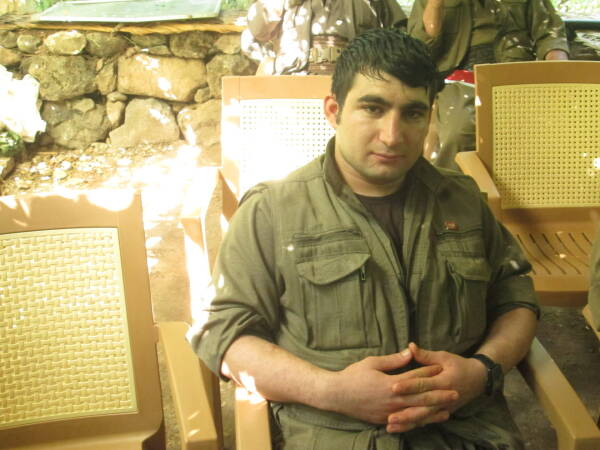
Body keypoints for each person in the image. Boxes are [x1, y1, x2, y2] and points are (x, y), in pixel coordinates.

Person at [191, 28, 539, 449]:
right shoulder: (272, 212)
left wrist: (483, 370)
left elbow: (516, 297)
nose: (392, 135)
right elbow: (223, 333)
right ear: (334, 111)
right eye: (372, 108)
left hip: (466, 431)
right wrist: (330, 391)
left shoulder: (462, 200)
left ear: (429, 117)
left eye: (412, 113)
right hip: (335, 434)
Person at [408, 0, 570, 169]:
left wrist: (561, 79)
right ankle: (448, 184)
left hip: (516, 75)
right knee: (459, 131)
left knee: (551, 134)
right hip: (461, 78)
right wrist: (436, 4)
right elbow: (420, 50)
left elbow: (550, 35)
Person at [241, 0, 406, 75]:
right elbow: (255, 32)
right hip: (294, 81)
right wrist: (270, 63)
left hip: (354, 83)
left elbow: (401, 39)